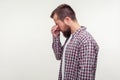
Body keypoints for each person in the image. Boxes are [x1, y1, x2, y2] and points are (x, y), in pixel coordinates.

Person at [50, 4, 99, 80]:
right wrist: (56, 37)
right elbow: (59, 56)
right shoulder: (70, 38)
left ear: (67, 20)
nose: (57, 27)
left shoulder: (86, 41)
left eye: (57, 23)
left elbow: (85, 77)